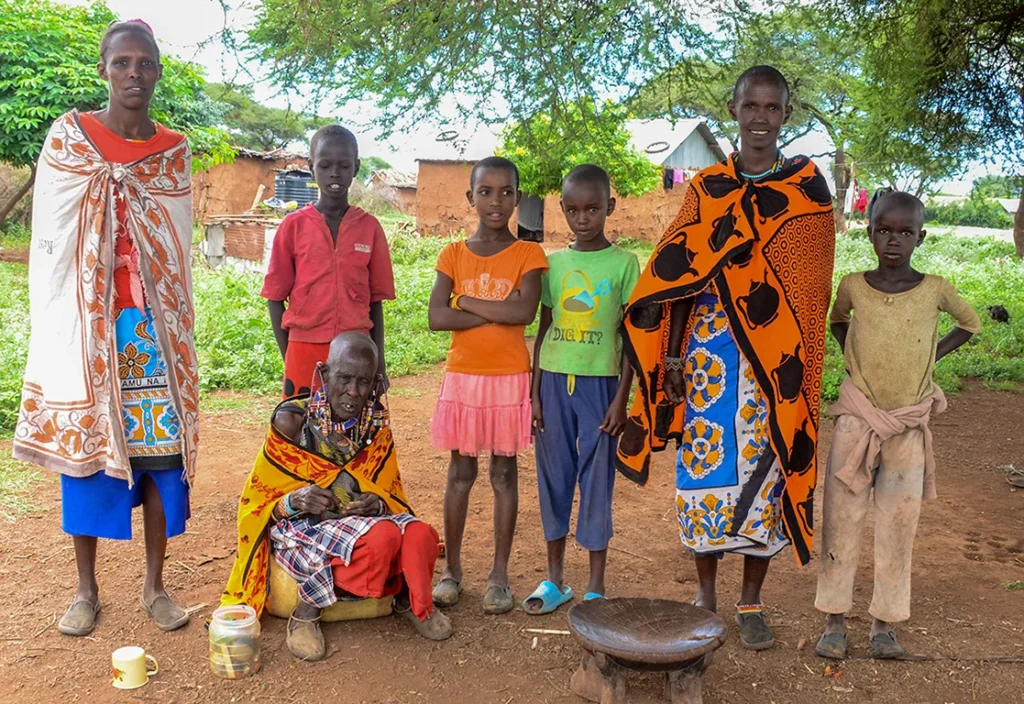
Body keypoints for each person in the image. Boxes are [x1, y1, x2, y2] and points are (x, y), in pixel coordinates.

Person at [615, 65, 836, 650]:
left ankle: (751, 600)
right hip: (710, 357)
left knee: (763, 480)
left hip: (774, 368)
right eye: (751, 106)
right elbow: (678, 276)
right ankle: (706, 592)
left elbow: (811, 296)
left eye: (772, 107)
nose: (760, 118)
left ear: (787, 114)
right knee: (705, 472)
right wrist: (671, 358)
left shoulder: (809, 192)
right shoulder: (707, 187)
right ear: (733, 110)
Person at [13, 19, 199, 637]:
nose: (134, 75)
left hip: (149, 335)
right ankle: (85, 591)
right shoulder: (70, 138)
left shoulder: (172, 152)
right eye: (122, 63)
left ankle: (154, 587)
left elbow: (175, 248)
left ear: (157, 72)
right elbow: (53, 233)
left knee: (158, 458)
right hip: (88, 333)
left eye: (144, 63)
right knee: (87, 463)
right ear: (104, 70)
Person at [814, 192, 981, 660]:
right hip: (857, 421)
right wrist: (855, 359)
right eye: (884, 231)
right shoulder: (852, 284)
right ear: (870, 233)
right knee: (841, 521)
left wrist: (933, 358)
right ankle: (834, 620)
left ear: (920, 238)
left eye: (905, 232)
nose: (893, 241)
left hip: (908, 424)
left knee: (898, 524)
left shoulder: (936, 288)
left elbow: (970, 324)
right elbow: (838, 320)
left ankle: (884, 624)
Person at [222, 333, 451, 661]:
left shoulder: (375, 425)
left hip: (364, 525)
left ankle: (412, 603)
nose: (354, 392)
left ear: (376, 383)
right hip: (304, 529)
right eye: (344, 378)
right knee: (382, 537)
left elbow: (390, 493)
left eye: (364, 382)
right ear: (325, 374)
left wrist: (378, 502)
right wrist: (295, 500)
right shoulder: (292, 421)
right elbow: (257, 501)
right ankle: (306, 611)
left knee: (419, 534)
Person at [428, 156, 549, 615]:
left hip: (507, 380)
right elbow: (437, 318)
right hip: (464, 379)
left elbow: (524, 314)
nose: (495, 202)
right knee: (461, 474)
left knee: (502, 475)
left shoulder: (528, 255)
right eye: (485, 192)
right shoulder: (452, 254)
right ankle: (452, 571)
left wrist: (465, 300)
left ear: (518, 197)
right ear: (470, 197)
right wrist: (496, 306)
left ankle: (499, 574)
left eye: (505, 192)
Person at [523, 165, 639, 614]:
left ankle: (594, 585)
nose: (583, 218)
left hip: (600, 386)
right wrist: (534, 393)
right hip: (552, 381)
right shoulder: (552, 264)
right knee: (553, 478)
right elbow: (544, 326)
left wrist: (621, 398)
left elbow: (630, 337)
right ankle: (554, 580)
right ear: (563, 211)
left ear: (609, 206)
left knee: (596, 480)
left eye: (592, 208)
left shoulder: (625, 264)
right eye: (572, 210)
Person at [262, 124, 395, 398]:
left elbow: (375, 302)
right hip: (304, 349)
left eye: (344, 165)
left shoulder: (369, 228)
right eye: (325, 165)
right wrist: (289, 354)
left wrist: (378, 361)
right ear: (312, 167)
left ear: (356, 168)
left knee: (353, 431)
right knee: (303, 428)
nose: (335, 173)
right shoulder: (293, 227)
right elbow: (275, 298)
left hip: (357, 351)